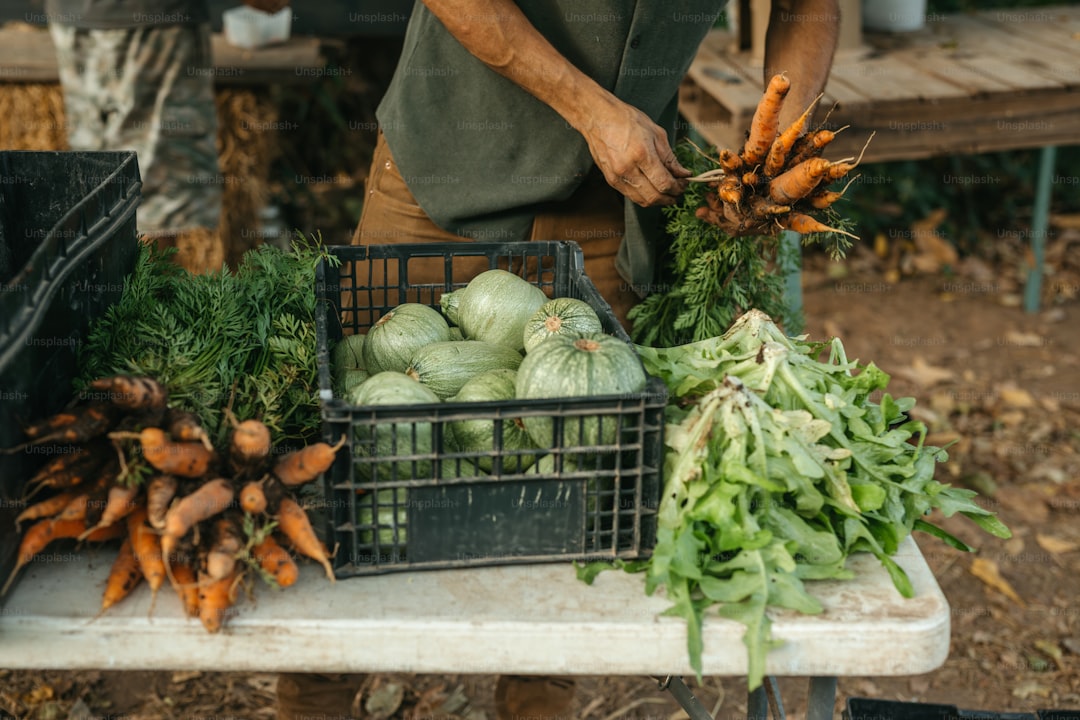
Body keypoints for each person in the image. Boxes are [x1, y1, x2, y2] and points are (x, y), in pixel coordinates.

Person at [279, 2, 839, 719]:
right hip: (444, 169)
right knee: (362, 482)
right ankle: (318, 697)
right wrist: (593, 111)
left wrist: (777, 152)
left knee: (574, 498)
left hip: (610, 198)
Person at [43, 0, 287, 271]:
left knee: (96, 180)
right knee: (151, 196)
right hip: (152, 19)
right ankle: (141, 309)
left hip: (73, 15)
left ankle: (108, 304)